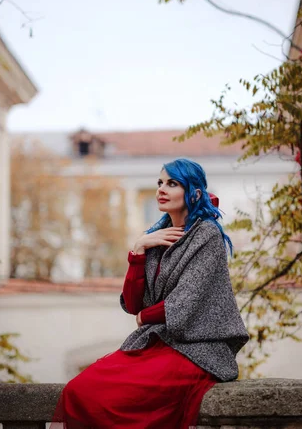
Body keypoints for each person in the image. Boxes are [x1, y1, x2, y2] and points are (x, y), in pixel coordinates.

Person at [52, 158, 249, 428]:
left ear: (195, 192)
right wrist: (138, 250)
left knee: (116, 403)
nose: (161, 189)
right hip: (160, 342)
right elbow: (133, 303)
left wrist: (147, 316)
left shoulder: (207, 235)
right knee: (78, 390)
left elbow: (184, 303)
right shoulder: (158, 236)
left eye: (172, 183)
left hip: (198, 350)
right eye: (159, 183)